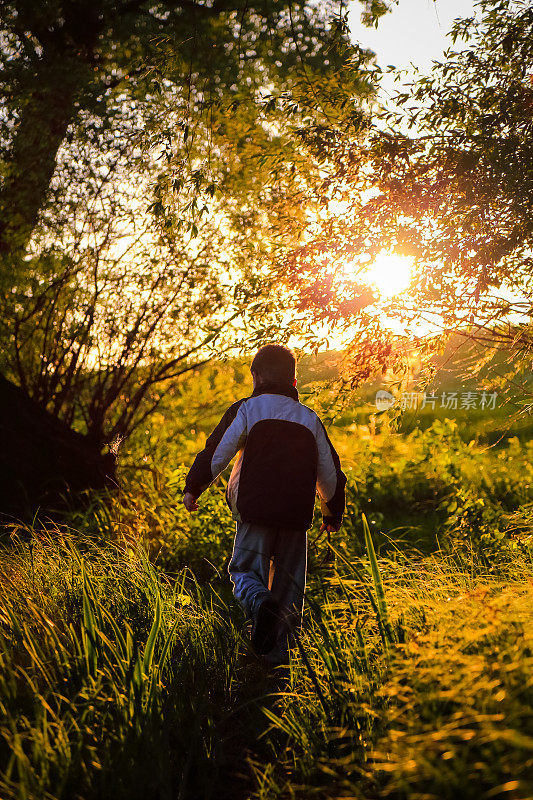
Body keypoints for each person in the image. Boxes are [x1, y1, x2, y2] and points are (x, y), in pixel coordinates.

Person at [182, 344, 347, 666]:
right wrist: (332, 511)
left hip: (254, 511)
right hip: (296, 516)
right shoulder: (309, 418)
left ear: (256, 377)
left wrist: (195, 487)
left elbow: (218, 452)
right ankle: (278, 662)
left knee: (244, 571)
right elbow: (329, 471)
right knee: (289, 588)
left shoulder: (248, 409)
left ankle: (259, 604)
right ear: (294, 381)